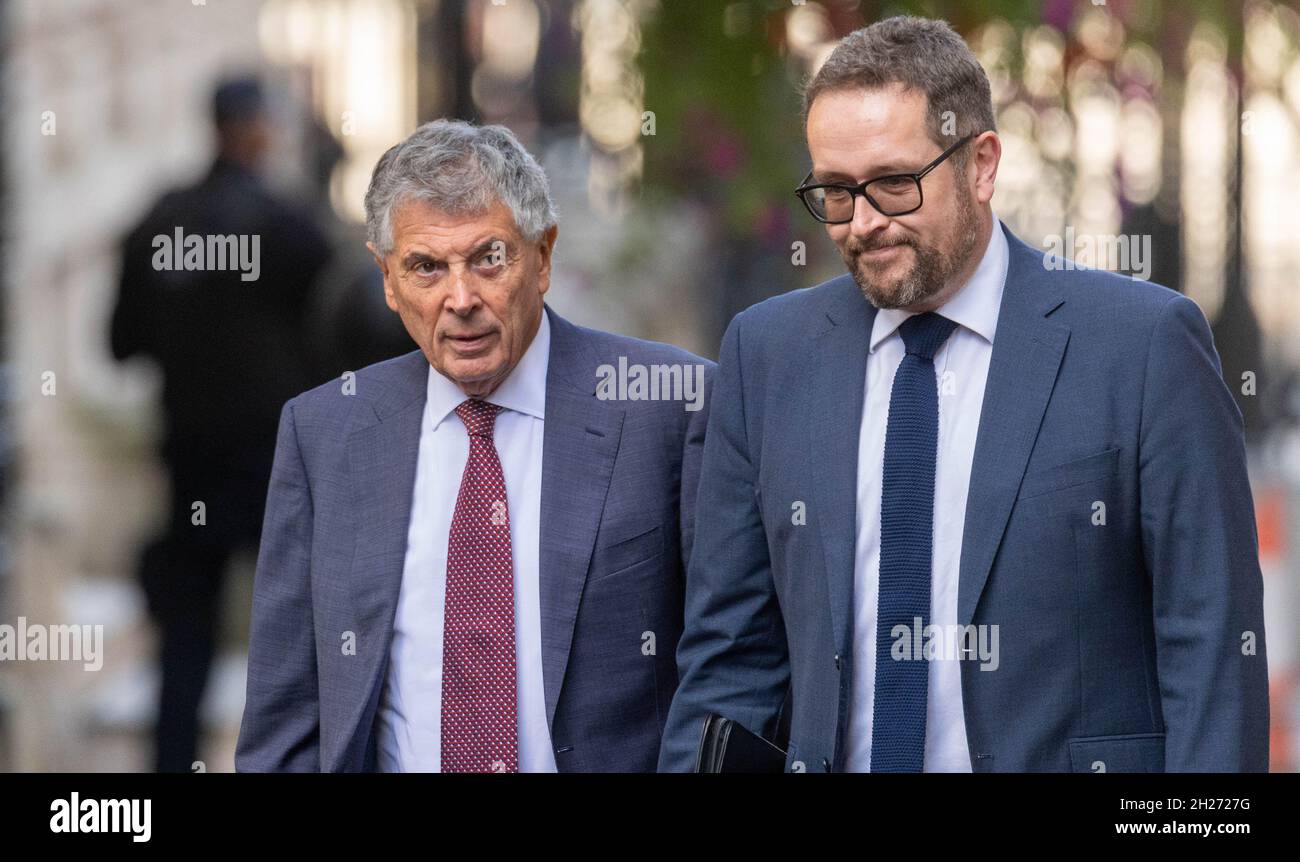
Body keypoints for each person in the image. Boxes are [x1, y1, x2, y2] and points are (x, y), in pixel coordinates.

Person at [659, 16, 1269, 773]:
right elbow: (729, 662)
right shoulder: (768, 354)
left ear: (981, 165)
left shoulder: (1143, 347)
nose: (865, 223)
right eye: (837, 193)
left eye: (893, 183)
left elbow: (1210, 647)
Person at [235, 119, 713, 772]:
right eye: (426, 267)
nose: (460, 300)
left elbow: (731, 666)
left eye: (488, 259)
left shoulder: (668, 405)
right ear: (387, 278)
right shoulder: (323, 434)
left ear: (542, 257)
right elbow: (283, 722)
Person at [110, 76, 331, 772]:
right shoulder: (293, 229)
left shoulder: (160, 221)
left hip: (193, 463)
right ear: (256, 130)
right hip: (274, 466)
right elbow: (333, 346)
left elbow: (120, 343)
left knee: (185, 642)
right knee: (300, 643)